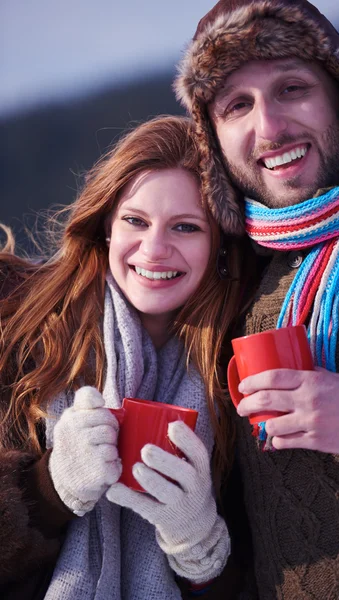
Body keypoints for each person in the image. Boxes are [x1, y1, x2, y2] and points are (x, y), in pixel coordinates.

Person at [174, 1, 339, 598]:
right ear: (214, 139)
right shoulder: (228, 278)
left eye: (292, 88)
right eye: (237, 106)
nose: (269, 129)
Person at [0, 115, 246, 600]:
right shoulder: (17, 327)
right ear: (106, 226)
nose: (154, 249)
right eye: (136, 221)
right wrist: (52, 487)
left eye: (185, 227)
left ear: (219, 246)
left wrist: (199, 545)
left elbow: (281, 568)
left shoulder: (236, 366)